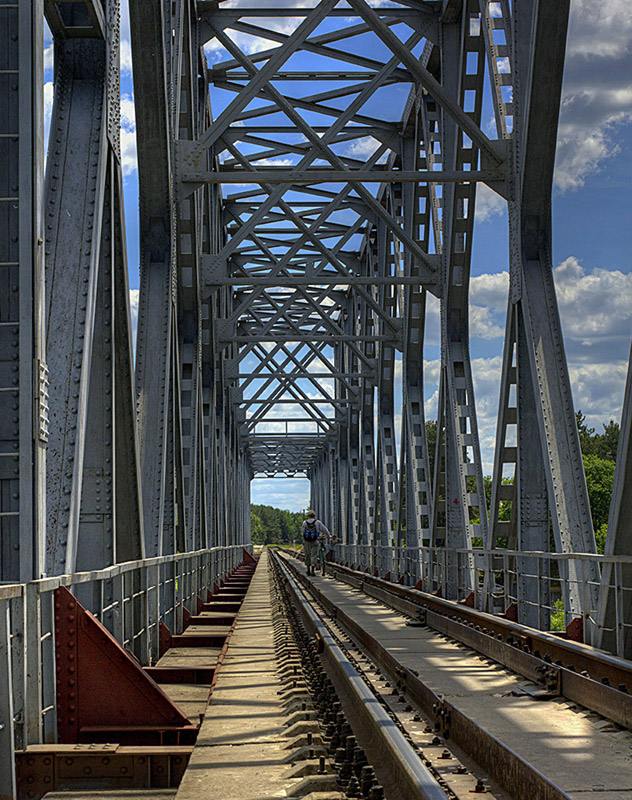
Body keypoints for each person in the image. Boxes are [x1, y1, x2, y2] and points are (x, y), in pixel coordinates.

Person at [302, 510, 330, 576]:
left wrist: (304, 541)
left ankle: (308, 570)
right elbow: (325, 530)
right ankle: (312, 570)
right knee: (314, 555)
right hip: (315, 541)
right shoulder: (318, 522)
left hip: (306, 542)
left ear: (308, 516)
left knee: (307, 555)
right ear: (314, 516)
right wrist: (328, 536)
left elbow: (303, 532)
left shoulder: (304, 523)